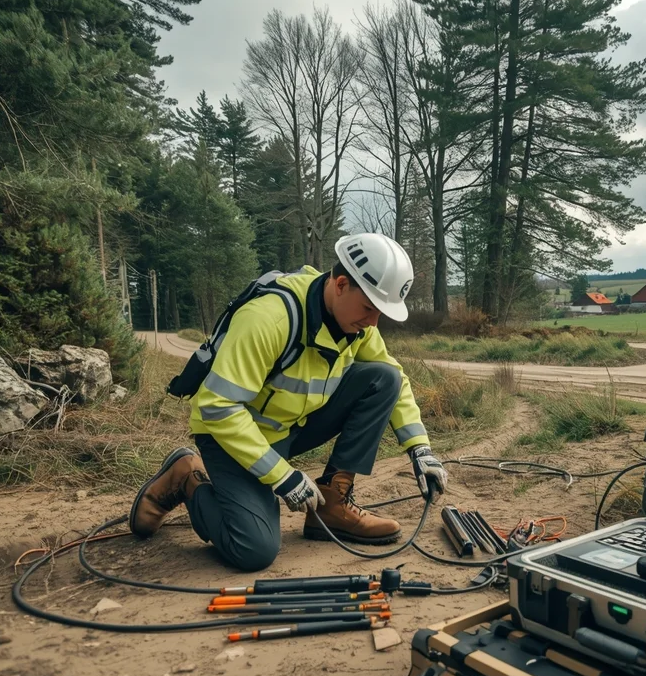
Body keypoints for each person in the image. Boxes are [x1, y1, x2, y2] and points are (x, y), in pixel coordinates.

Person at [128, 234, 448, 572]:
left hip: (291, 425)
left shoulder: (356, 321)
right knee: (254, 549)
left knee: (385, 378)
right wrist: (282, 476)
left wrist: (420, 449)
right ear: (341, 284)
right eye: (370, 309)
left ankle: (332, 505)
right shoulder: (269, 319)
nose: (373, 323)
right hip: (230, 437)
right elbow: (217, 407)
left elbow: (394, 378)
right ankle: (188, 478)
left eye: (380, 312)